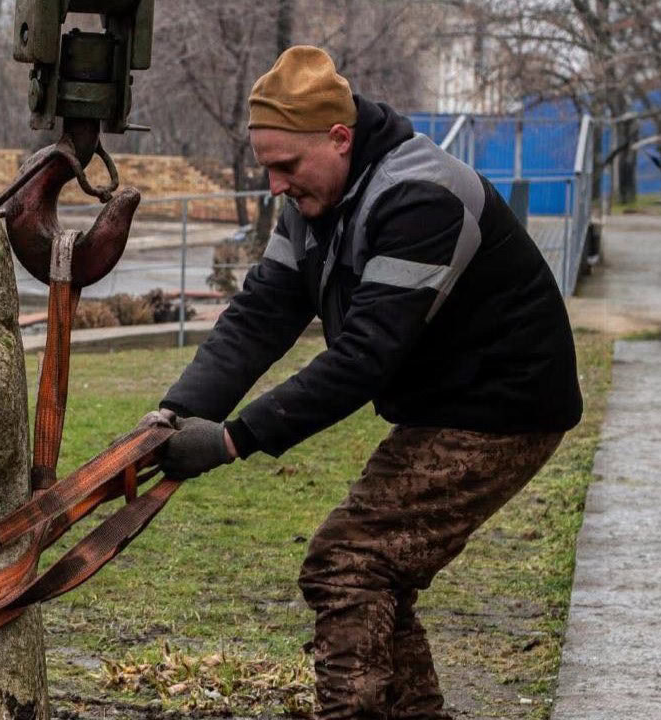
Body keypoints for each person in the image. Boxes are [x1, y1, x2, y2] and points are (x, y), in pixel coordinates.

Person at [142, 46, 583, 720]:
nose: (277, 187)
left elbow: (363, 357)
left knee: (348, 562)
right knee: (374, 569)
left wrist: (231, 440)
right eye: (267, 170)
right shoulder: (314, 201)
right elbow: (261, 314)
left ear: (339, 138)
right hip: (445, 401)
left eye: (287, 167)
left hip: (504, 404)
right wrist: (173, 414)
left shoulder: (422, 197)